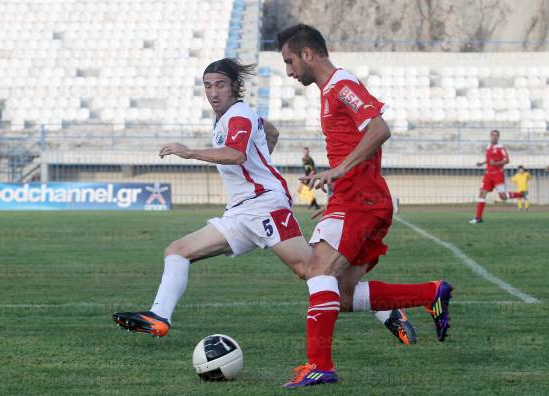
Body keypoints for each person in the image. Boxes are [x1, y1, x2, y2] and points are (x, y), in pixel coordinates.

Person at [111, 58, 415, 346]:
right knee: (177, 251)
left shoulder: (238, 115)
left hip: (263, 206)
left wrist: (190, 152)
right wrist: (261, 159)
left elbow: (236, 154)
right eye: (207, 85)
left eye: (220, 85)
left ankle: (387, 309)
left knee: (314, 272)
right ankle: (159, 317)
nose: (213, 92)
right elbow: (270, 131)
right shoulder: (231, 118)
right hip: (241, 211)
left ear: (233, 87)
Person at [277, 24, 453, 388]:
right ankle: (430, 292)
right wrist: (337, 182)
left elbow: (379, 128)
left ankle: (320, 364)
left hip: (361, 200)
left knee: (317, 271)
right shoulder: (330, 91)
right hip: (353, 198)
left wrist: (340, 170)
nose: (290, 71)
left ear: (308, 54)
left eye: (290, 61)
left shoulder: (341, 85)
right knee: (339, 294)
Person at [470, 130, 524, 223]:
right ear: (490, 136)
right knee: (482, 193)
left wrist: (496, 163)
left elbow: (507, 160)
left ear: (498, 137)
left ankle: (521, 194)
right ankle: (478, 218)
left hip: (498, 175)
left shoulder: (501, 148)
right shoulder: (488, 147)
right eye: (493, 135)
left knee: (502, 196)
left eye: (496, 136)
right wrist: (482, 163)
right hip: (488, 175)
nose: (494, 137)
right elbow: (489, 159)